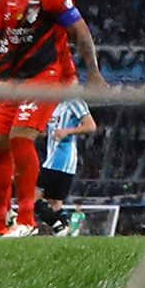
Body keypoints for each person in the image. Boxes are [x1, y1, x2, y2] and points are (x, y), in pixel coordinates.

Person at [0, 0, 104, 240]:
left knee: (19, 140)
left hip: (47, 77)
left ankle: (27, 220)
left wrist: (93, 73)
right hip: (16, 80)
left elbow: (81, 32)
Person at [35, 94, 98, 235]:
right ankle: (64, 231)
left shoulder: (74, 102)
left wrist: (68, 131)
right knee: (54, 203)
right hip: (53, 157)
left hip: (61, 159)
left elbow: (91, 126)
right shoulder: (51, 103)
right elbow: (50, 129)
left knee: (31, 197)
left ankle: (59, 228)